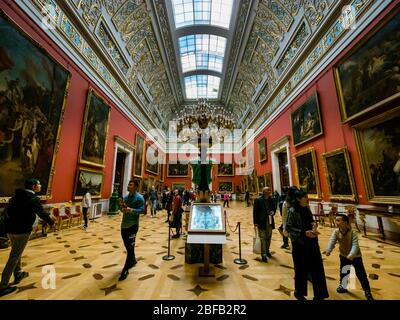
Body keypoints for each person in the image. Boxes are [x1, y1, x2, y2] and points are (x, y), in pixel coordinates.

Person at [0, 179, 55, 297]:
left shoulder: (15, 197)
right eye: (39, 184)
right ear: (34, 186)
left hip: (10, 230)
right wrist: (51, 222)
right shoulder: (33, 198)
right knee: (14, 256)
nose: (40, 186)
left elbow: (6, 212)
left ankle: (18, 273)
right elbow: (42, 213)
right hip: (22, 231)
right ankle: (3, 286)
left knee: (16, 252)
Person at [286, 189, 329, 300]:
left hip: (312, 242)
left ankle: (319, 294)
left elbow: (310, 222)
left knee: (317, 268)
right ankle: (299, 292)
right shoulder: (292, 211)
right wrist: (303, 233)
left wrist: (314, 226)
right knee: (300, 269)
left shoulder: (307, 209)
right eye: (305, 197)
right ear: (298, 199)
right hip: (300, 244)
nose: (308, 199)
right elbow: (289, 227)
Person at [325, 214, 374, 300]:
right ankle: (343, 286)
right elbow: (332, 241)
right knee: (344, 271)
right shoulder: (336, 232)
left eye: (338, 220)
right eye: (336, 220)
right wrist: (328, 250)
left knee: (361, 274)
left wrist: (351, 255)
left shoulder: (353, 232)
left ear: (346, 222)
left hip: (356, 257)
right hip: (344, 256)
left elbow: (355, 245)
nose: (336, 222)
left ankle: (367, 291)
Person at [118, 180, 144, 281]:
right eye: (128, 184)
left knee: (130, 248)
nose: (128, 186)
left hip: (133, 225)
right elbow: (122, 210)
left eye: (130, 184)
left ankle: (125, 269)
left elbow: (142, 210)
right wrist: (122, 208)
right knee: (127, 246)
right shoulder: (125, 198)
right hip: (124, 225)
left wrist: (131, 210)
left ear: (136, 187)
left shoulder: (139, 198)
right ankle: (132, 260)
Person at [253, 187, 276, 262]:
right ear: (263, 191)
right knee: (262, 238)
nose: (269, 191)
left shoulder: (272, 200)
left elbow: (274, 209)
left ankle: (267, 250)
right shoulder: (258, 200)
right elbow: (255, 212)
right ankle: (263, 254)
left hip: (269, 221)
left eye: (269, 190)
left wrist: (273, 212)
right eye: (267, 190)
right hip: (261, 222)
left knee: (268, 237)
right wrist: (255, 222)